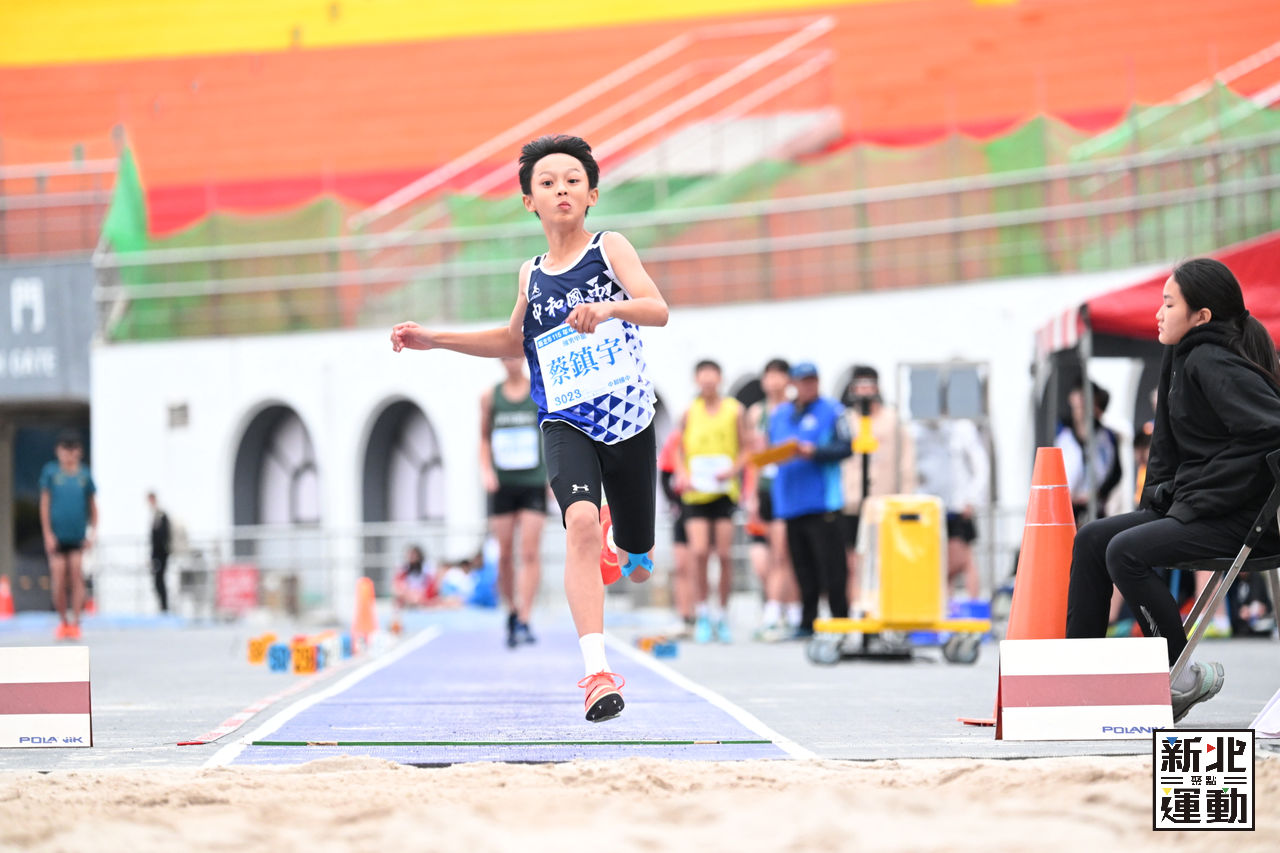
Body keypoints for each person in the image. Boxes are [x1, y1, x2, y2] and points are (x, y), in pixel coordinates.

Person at [391, 134, 667, 723]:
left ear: (591, 195)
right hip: (564, 419)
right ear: (529, 202)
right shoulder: (531, 275)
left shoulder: (609, 248)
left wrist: (610, 308)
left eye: (572, 180)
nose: (561, 189)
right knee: (580, 523)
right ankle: (596, 674)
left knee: (638, 553)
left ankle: (625, 545)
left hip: (628, 420)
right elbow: (512, 340)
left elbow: (657, 309)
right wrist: (433, 338)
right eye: (547, 182)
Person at [1065, 257, 1280, 723]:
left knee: (1124, 551)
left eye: (1168, 304)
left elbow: (1271, 430)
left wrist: (1203, 492)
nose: (1158, 314)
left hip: (1237, 520)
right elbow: (1171, 450)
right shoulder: (1183, 356)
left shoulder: (1211, 359)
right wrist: (1163, 500)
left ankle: (1178, 675)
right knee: (1091, 539)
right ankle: (1078, 685)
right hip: (1195, 507)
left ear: (1201, 316)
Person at [767, 362, 852, 635]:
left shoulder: (832, 411)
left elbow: (846, 446)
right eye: (803, 381)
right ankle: (808, 620)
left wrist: (813, 451)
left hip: (822, 502)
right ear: (793, 384)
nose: (808, 386)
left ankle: (840, 620)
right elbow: (769, 449)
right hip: (791, 503)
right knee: (802, 566)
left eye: (812, 380)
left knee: (832, 565)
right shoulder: (781, 415)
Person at [674, 359, 749, 643]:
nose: (707, 381)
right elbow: (677, 449)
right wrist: (683, 473)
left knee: (725, 555)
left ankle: (722, 613)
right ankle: (703, 612)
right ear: (696, 380)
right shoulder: (688, 412)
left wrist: (734, 469)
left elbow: (746, 447)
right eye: (702, 376)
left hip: (723, 491)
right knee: (699, 552)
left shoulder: (734, 410)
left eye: (712, 376)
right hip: (696, 493)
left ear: (720, 378)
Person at [480, 356, 547, 648]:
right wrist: (486, 470)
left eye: (516, 355)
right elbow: (483, 437)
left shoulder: (538, 391)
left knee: (529, 552)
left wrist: (552, 476)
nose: (512, 361)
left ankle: (526, 616)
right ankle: (511, 609)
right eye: (506, 356)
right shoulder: (490, 397)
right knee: (505, 554)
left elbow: (550, 431)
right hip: (503, 484)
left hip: (533, 481)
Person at [839, 365, 916, 611]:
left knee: (885, 559)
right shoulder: (845, 420)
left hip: (885, 502)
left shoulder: (893, 420)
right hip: (851, 502)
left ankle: (886, 608)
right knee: (852, 562)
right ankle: (856, 610)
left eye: (868, 384)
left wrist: (905, 497)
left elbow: (906, 462)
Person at [744, 358, 800, 639]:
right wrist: (752, 493)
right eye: (770, 376)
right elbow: (755, 456)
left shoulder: (794, 410)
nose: (774, 381)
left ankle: (782, 610)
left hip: (788, 487)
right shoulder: (757, 412)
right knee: (762, 560)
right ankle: (781, 607)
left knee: (783, 553)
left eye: (780, 375)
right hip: (765, 488)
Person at [913, 417, 989, 600]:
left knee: (963, 560)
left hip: (958, 507)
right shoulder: (916, 429)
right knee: (943, 564)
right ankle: (947, 607)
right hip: (930, 508)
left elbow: (980, 466)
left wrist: (971, 498)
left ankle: (971, 606)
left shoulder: (962, 428)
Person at [39, 430, 97, 640]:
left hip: (77, 536)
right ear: (58, 451)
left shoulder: (84, 475)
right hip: (58, 536)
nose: (69, 454)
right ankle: (63, 620)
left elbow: (93, 507)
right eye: (65, 449)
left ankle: (76, 622)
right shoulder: (51, 473)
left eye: (73, 449)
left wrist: (92, 533)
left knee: (76, 574)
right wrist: (48, 534)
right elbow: (45, 505)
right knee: (58, 577)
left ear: (79, 452)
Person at [1054, 380, 1122, 526]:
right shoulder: (1061, 432)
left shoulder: (1106, 437)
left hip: (1095, 507)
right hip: (1065, 506)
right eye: (1079, 396)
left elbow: (1116, 472)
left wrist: (1098, 494)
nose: (1082, 402)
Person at [657, 428, 694, 635]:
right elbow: (665, 476)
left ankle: (702, 614)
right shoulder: (676, 438)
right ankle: (684, 615)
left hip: (705, 507)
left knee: (699, 562)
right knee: (681, 566)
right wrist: (675, 504)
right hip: (682, 510)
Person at [147, 491, 172, 613]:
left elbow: (162, 536)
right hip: (157, 555)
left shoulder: (160, 515)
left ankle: (164, 607)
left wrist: (161, 553)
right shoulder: (154, 515)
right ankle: (162, 606)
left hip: (161, 555)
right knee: (157, 581)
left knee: (160, 580)